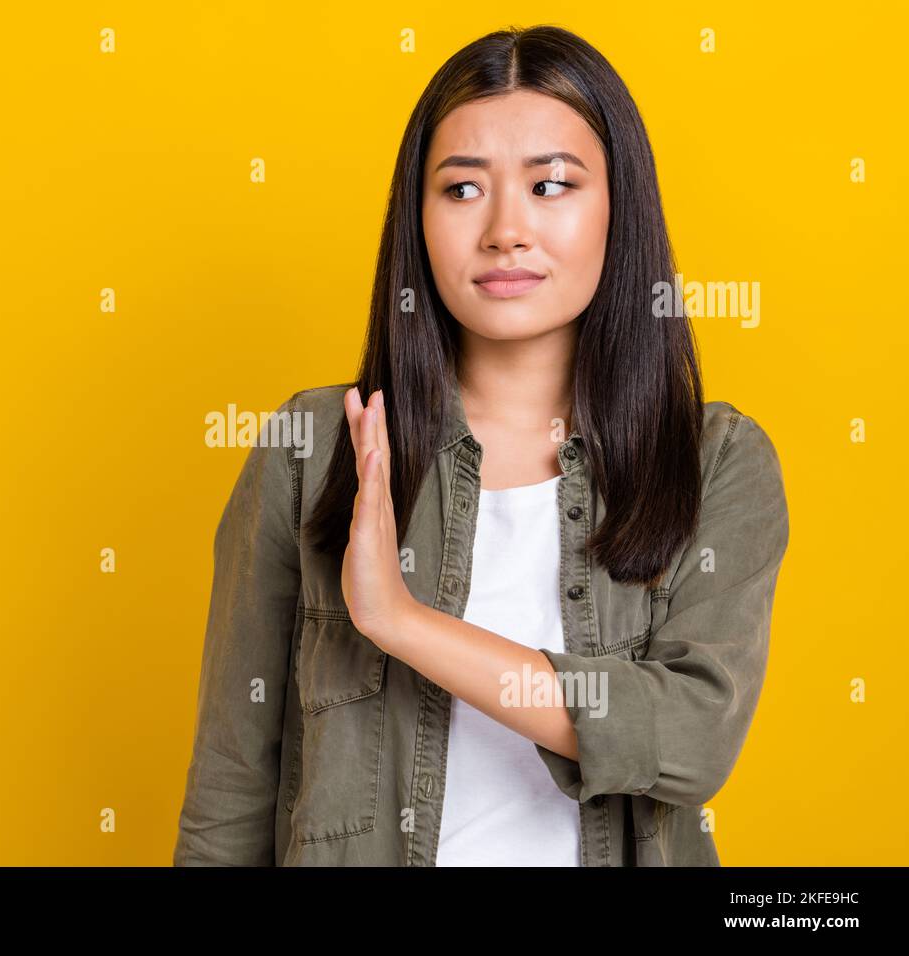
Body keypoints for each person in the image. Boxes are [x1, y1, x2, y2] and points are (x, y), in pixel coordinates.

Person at [173, 24, 789, 867]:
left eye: (552, 184)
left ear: (620, 205)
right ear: (416, 219)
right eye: (462, 190)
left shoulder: (714, 461)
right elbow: (229, 796)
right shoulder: (312, 450)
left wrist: (399, 620)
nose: (506, 229)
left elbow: (688, 738)